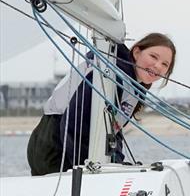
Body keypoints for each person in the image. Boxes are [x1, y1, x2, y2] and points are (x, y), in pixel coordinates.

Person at [27, 33, 176, 175]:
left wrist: (117, 163)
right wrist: (85, 168)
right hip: (55, 143)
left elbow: (112, 130)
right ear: (137, 52)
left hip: (65, 143)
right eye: (153, 56)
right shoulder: (109, 72)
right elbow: (76, 121)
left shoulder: (133, 87)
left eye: (165, 64)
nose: (158, 66)